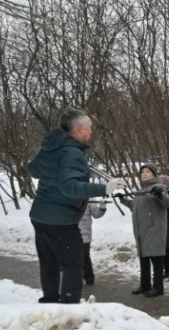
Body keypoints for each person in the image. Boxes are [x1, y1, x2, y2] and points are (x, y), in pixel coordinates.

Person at [28, 108, 125, 304]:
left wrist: (52, 170)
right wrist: (105, 188)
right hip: (60, 218)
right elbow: (70, 188)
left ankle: (50, 299)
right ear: (80, 128)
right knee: (74, 263)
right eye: (89, 128)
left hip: (40, 214)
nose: (91, 132)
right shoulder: (72, 153)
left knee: (49, 262)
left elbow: (34, 170)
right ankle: (69, 305)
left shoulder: (51, 147)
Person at [120, 164, 169, 298]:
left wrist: (160, 195)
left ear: (154, 174)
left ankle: (158, 288)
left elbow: (168, 204)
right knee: (144, 259)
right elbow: (135, 206)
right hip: (141, 230)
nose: (144, 174)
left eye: (148, 171)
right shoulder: (141, 190)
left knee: (156, 260)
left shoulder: (159, 187)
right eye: (143, 172)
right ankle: (145, 285)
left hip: (154, 228)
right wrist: (123, 199)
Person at [78, 198, 107, 286]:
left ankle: (89, 277)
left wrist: (102, 208)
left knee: (84, 255)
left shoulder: (89, 198)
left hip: (84, 234)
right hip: (69, 233)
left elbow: (96, 214)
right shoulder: (68, 195)